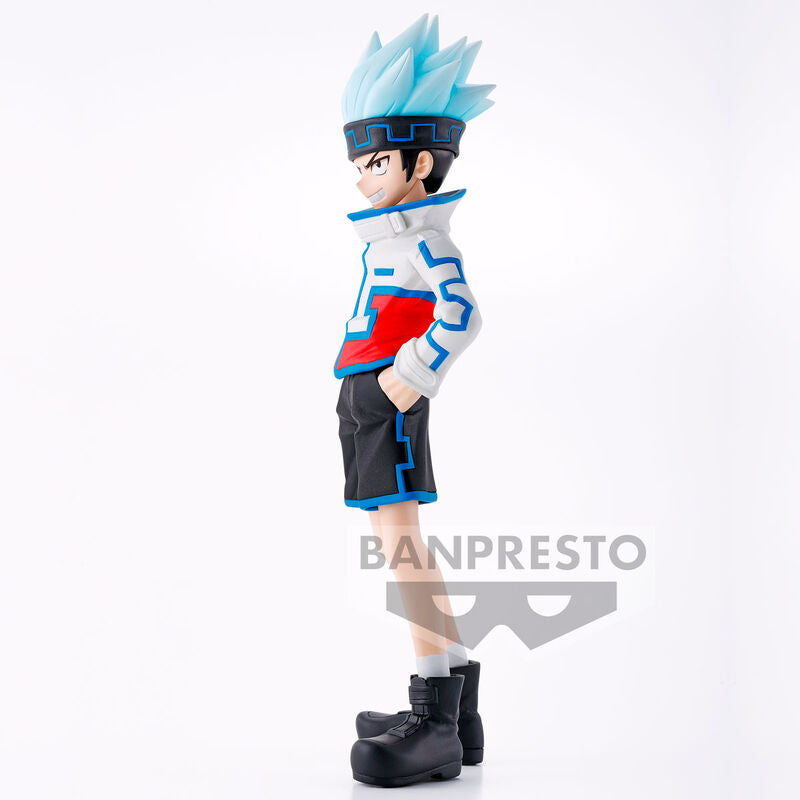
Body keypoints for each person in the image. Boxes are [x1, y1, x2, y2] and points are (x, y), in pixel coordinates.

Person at [334, 15, 494, 787]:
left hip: (389, 395)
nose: (363, 176)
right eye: (360, 163)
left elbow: (462, 313)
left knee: (402, 548)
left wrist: (415, 372)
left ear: (421, 162)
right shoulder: (389, 239)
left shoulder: (426, 240)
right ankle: (456, 713)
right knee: (395, 543)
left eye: (377, 161)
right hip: (366, 395)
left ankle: (433, 720)